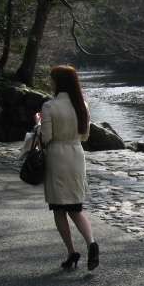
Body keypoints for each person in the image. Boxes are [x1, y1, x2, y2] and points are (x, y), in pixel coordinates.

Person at [40, 65, 100, 271]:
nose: (50, 82)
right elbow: (85, 136)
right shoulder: (82, 104)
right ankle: (92, 242)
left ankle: (71, 252)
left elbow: (46, 138)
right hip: (76, 154)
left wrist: (38, 125)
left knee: (59, 208)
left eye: (52, 79)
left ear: (58, 82)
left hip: (57, 157)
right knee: (76, 206)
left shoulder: (49, 106)